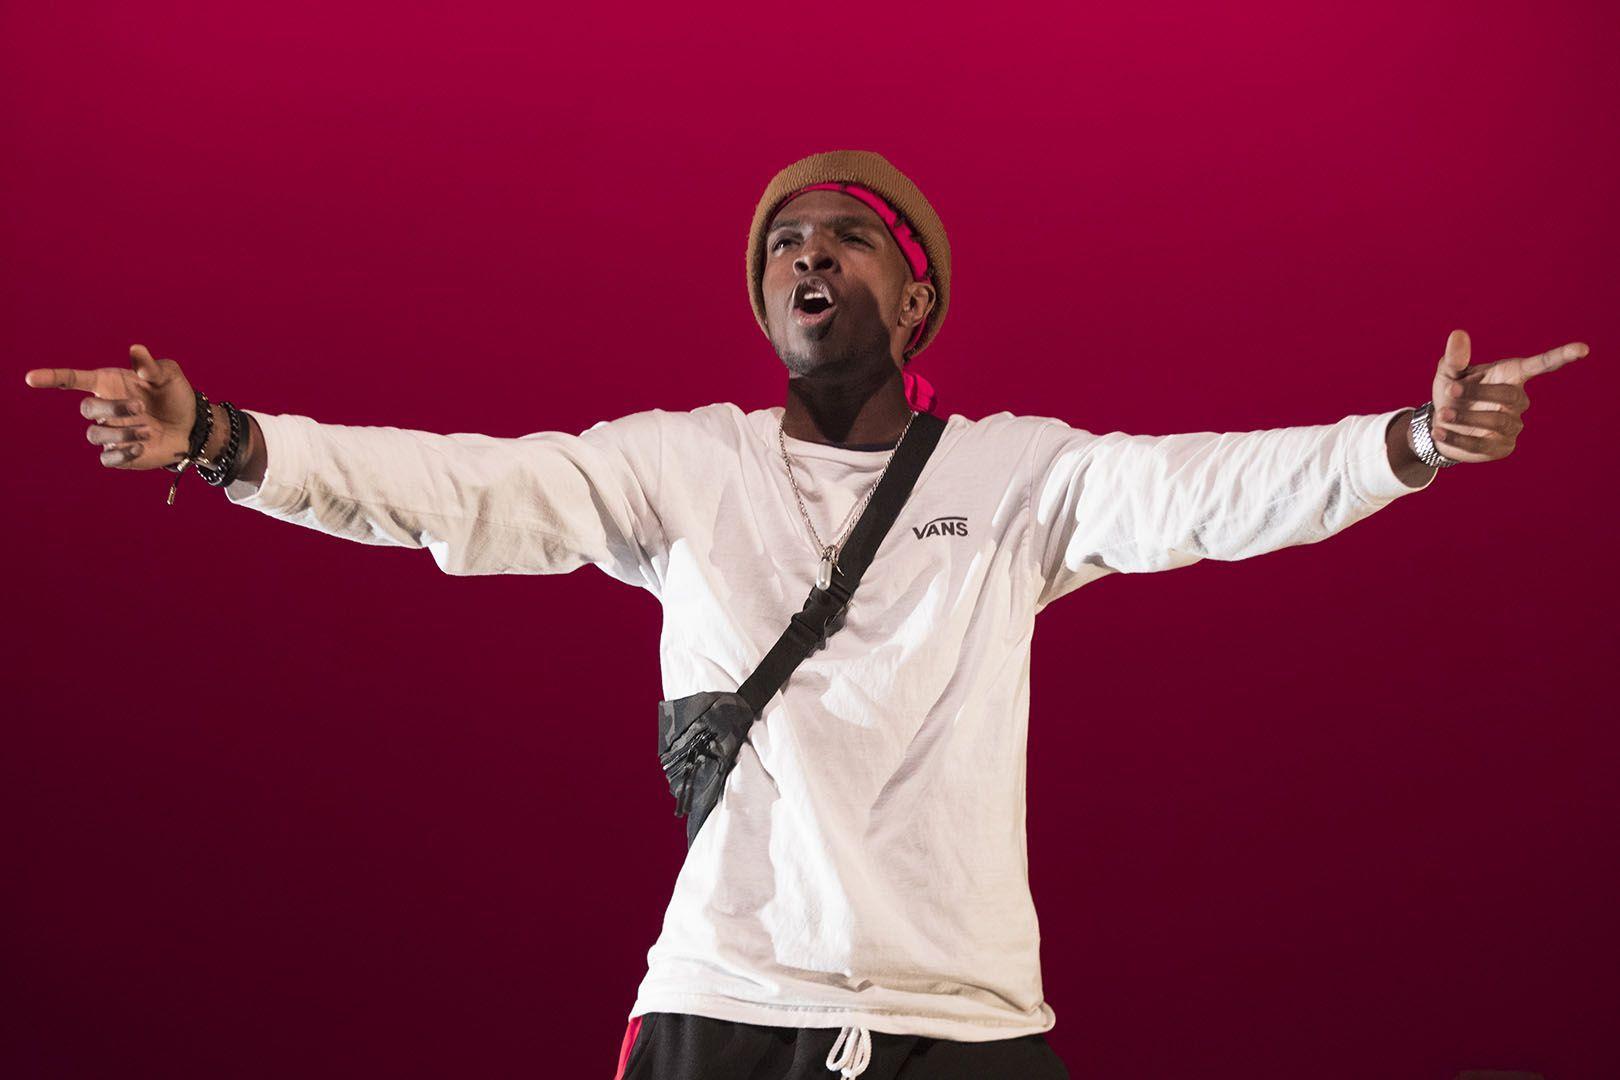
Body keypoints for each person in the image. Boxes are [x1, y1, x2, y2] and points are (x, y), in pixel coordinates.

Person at [24, 149, 1588, 1080]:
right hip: (726, 1004)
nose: (803, 254)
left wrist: (1407, 440)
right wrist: (225, 441)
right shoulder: (680, 465)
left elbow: (1207, 492)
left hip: (965, 1014)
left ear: (917, 298)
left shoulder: (1018, 477)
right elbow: (461, 491)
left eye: (842, 234)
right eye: (782, 242)